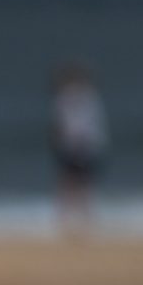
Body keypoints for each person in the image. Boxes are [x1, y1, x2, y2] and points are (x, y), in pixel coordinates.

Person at [49, 61, 109, 233]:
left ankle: (69, 220)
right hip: (82, 145)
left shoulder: (69, 98)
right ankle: (81, 220)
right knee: (81, 183)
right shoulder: (89, 97)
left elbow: (63, 125)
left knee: (69, 183)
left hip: (75, 145)